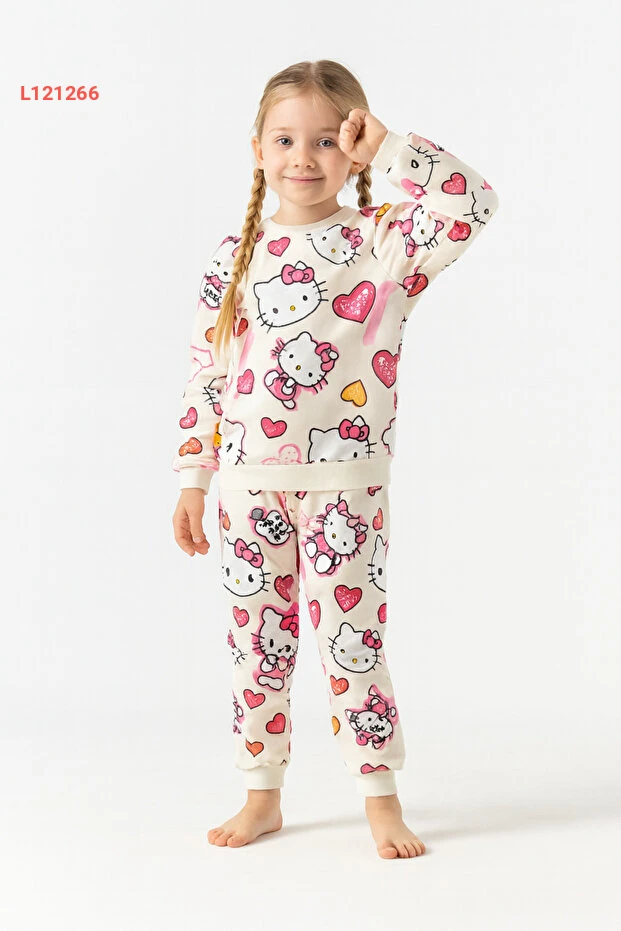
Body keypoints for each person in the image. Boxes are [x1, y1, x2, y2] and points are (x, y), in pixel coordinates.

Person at [171, 59, 499, 859]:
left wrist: (389, 149)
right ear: (257, 149)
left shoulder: (383, 243)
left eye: (327, 139)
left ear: (351, 148)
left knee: (353, 641)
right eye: (285, 139)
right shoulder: (234, 254)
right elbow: (208, 372)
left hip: (344, 486)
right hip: (247, 487)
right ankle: (262, 794)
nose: (304, 157)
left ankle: (380, 797)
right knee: (256, 644)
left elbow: (473, 202)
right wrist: (193, 478)